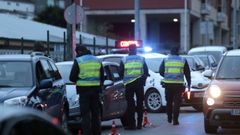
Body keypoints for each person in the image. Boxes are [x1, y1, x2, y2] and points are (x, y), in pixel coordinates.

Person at [69, 46, 104, 135]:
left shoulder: (79, 61)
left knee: (85, 115)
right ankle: (97, 133)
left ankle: (87, 133)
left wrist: (80, 79)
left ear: (79, 52)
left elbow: (72, 77)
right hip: (95, 90)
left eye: (77, 53)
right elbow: (102, 76)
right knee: (95, 114)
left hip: (84, 91)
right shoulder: (97, 60)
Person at [159, 45, 191, 125]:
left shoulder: (166, 59)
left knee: (169, 101)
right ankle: (175, 120)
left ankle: (169, 117)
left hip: (168, 84)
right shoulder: (183, 60)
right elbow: (187, 73)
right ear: (178, 51)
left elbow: (161, 71)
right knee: (177, 102)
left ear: (170, 51)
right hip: (178, 85)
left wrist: (167, 76)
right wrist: (189, 83)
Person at [119, 44, 149, 130]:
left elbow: (120, 72)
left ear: (129, 50)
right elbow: (146, 72)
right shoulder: (141, 59)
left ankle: (132, 125)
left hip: (129, 84)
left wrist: (125, 79)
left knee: (130, 105)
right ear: (136, 50)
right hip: (139, 83)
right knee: (140, 104)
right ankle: (139, 124)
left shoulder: (124, 60)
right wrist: (143, 81)